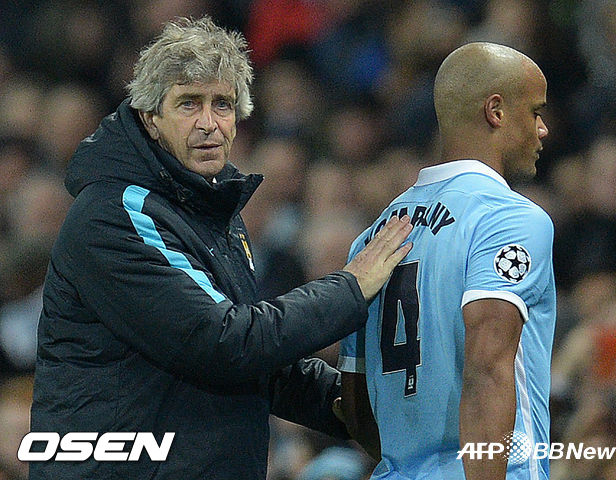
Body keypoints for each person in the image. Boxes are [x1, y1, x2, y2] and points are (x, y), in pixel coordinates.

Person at [28, 16, 413, 480]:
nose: (209, 123)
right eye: (189, 103)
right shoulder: (117, 214)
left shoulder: (209, 209)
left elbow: (257, 364)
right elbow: (224, 343)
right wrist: (350, 287)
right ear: (151, 118)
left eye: (223, 104)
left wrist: (357, 405)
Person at [338, 42, 555, 480]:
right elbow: (488, 371)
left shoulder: (373, 238)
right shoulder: (509, 219)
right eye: (535, 112)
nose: (543, 129)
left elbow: (356, 405)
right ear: (496, 111)